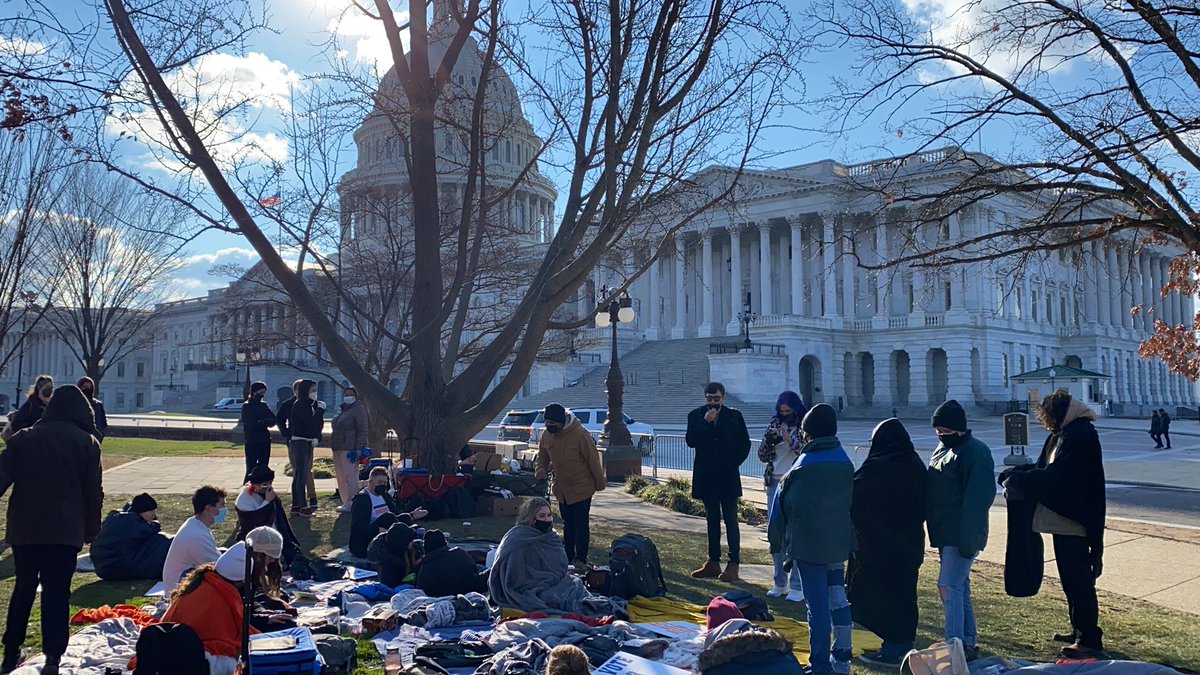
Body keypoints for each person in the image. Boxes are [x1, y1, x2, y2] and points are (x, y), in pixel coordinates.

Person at [0, 384, 103, 675]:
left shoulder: (25, 438)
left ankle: (11, 651)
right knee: (57, 592)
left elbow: (2, 476)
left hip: (26, 527)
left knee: (23, 588)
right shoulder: (86, 443)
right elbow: (92, 493)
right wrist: (91, 531)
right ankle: (53, 656)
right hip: (65, 529)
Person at [1003, 391, 1106, 658]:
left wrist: (1023, 480)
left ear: (1059, 413)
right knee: (1069, 580)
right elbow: (1043, 469)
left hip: (1075, 519)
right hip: (1063, 521)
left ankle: (1089, 640)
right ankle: (1079, 630)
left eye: (1047, 416)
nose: (1045, 421)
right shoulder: (1062, 434)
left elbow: (1061, 476)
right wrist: (1018, 474)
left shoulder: (1082, 435)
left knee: (1079, 580)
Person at [768, 403, 854, 675]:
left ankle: (820, 666)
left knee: (816, 608)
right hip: (838, 543)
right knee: (839, 602)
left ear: (808, 433)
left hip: (809, 546)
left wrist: (777, 542)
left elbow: (781, 512)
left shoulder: (801, 469)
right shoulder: (844, 461)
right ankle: (842, 661)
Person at [848, 419, 928, 666]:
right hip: (908, 545)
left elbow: (854, 496)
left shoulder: (876, 468)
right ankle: (899, 644)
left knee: (883, 599)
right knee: (904, 597)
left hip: (879, 549)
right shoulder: (915, 465)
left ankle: (894, 648)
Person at [927, 400, 995, 661]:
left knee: (948, 587)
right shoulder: (944, 448)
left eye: (944, 430)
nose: (940, 435)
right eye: (938, 431)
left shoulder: (975, 452)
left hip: (961, 531)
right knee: (959, 587)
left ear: (958, 429)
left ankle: (954, 645)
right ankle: (966, 642)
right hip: (946, 530)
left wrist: (968, 538)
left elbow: (977, 500)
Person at [489, 497, 615, 615]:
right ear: (531, 517)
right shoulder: (517, 538)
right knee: (558, 598)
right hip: (529, 588)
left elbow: (560, 566)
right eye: (542, 516)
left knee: (577, 589)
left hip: (556, 582)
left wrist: (556, 578)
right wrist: (541, 581)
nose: (546, 520)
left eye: (549, 515)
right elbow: (514, 577)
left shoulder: (552, 537)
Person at [686, 382, 751, 582]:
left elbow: (745, 443)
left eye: (716, 398)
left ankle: (734, 564)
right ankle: (713, 562)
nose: (712, 402)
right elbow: (691, 441)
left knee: (731, 519)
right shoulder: (696, 415)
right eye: (709, 398)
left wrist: (733, 463)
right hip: (707, 477)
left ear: (723, 397)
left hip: (727, 475)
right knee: (711, 520)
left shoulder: (734, 416)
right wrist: (706, 423)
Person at [161, 543, 258, 675]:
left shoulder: (205, 579)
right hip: (190, 653)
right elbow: (230, 636)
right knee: (241, 662)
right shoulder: (223, 594)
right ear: (240, 580)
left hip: (166, 644)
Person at [535, 403, 606, 567]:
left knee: (580, 524)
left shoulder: (580, 434)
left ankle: (581, 559)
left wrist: (599, 483)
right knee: (568, 524)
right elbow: (543, 456)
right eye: (547, 423)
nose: (550, 426)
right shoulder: (546, 435)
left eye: (553, 424)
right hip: (562, 489)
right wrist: (540, 469)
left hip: (582, 487)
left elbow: (593, 460)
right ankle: (568, 557)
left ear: (562, 421)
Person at [759, 390, 807, 601]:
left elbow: (804, 451)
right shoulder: (773, 424)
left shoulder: (804, 426)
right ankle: (780, 582)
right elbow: (762, 455)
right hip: (774, 481)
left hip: (795, 482)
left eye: (788, 411)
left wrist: (788, 438)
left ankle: (797, 586)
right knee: (776, 533)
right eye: (781, 411)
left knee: (794, 534)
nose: (784, 415)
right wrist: (770, 440)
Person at [90, 492, 173, 581]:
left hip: (103, 568)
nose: (153, 514)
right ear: (141, 511)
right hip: (117, 568)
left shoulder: (118, 517)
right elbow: (152, 529)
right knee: (162, 541)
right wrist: (155, 523)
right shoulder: (132, 523)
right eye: (151, 511)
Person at [162, 486, 227, 596]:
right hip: (178, 590)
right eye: (222, 506)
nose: (225, 510)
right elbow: (219, 568)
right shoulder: (197, 535)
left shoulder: (195, 524)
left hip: (179, 582)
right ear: (209, 508)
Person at [349, 467, 426, 558]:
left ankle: (414, 538)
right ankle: (413, 538)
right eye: (380, 482)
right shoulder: (362, 499)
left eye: (385, 483)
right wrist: (378, 530)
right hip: (367, 540)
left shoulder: (385, 496)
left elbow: (396, 516)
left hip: (387, 530)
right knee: (388, 517)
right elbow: (359, 527)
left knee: (402, 518)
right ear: (370, 482)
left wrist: (412, 515)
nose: (383, 485)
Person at [234, 464, 300, 567]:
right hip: (256, 541)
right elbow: (255, 521)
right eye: (265, 484)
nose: (269, 487)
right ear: (255, 485)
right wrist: (267, 502)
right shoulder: (244, 499)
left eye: (270, 483)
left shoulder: (266, 492)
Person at [277, 379, 325, 515]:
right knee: (302, 473)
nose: (314, 393)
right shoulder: (300, 404)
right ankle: (302, 505)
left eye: (315, 390)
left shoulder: (310, 404)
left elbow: (317, 425)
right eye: (312, 390)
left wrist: (317, 437)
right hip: (300, 441)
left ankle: (297, 505)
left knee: (300, 473)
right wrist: (320, 411)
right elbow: (309, 422)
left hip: (307, 441)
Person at [244, 526, 299, 632]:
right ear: (258, 556)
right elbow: (241, 612)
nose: (272, 561)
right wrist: (265, 619)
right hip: (242, 625)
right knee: (288, 626)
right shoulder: (243, 574)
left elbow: (251, 601)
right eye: (269, 557)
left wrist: (265, 612)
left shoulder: (252, 571)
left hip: (253, 618)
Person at [415, 529, 489, 598]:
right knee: (480, 568)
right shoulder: (459, 553)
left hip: (441, 596)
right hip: (470, 589)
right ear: (445, 543)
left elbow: (421, 591)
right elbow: (474, 568)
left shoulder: (424, 569)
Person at [330, 386, 369, 513]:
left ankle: (353, 502)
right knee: (341, 476)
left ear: (355, 396)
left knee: (350, 476)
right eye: (345, 394)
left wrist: (358, 448)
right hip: (338, 447)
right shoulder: (342, 410)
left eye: (350, 394)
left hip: (350, 449)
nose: (347, 396)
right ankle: (345, 501)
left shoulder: (359, 409)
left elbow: (363, 430)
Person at [240, 381, 277, 482]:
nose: (262, 395)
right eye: (260, 393)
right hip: (252, 441)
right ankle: (247, 490)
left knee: (264, 467)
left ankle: (262, 488)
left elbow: (273, 419)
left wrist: (262, 421)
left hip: (264, 440)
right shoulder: (247, 406)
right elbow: (251, 424)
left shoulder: (263, 405)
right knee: (251, 468)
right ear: (254, 392)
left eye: (263, 393)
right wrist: (264, 421)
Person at [368, 520, 424, 587]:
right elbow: (390, 584)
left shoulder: (407, 548)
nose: (412, 543)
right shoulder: (387, 563)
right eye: (409, 541)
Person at [3, 375, 53, 439]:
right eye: (47, 387)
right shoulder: (30, 404)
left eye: (51, 388)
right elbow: (15, 426)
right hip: (31, 440)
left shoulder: (52, 404)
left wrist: (48, 403)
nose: (50, 390)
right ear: (40, 388)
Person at [76, 377, 108, 441]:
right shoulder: (75, 404)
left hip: (95, 438)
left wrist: (101, 434)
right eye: (85, 387)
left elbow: (103, 422)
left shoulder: (97, 405)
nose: (88, 389)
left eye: (90, 387)